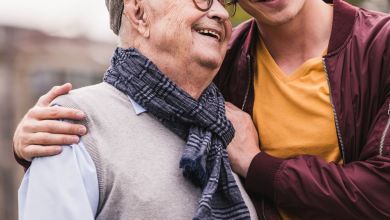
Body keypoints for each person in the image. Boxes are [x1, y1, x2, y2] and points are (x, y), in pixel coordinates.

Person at [14, 0, 390, 219]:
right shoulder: (222, 68)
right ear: (138, 12)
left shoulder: (380, 45)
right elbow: (132, 102)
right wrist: (36, 144)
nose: (218, 14)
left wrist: (255, 164)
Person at [16, 0, 259, 219]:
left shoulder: (231, 131)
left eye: (222, 1)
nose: (220, 13)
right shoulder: (69, 125)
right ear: (140, 13)